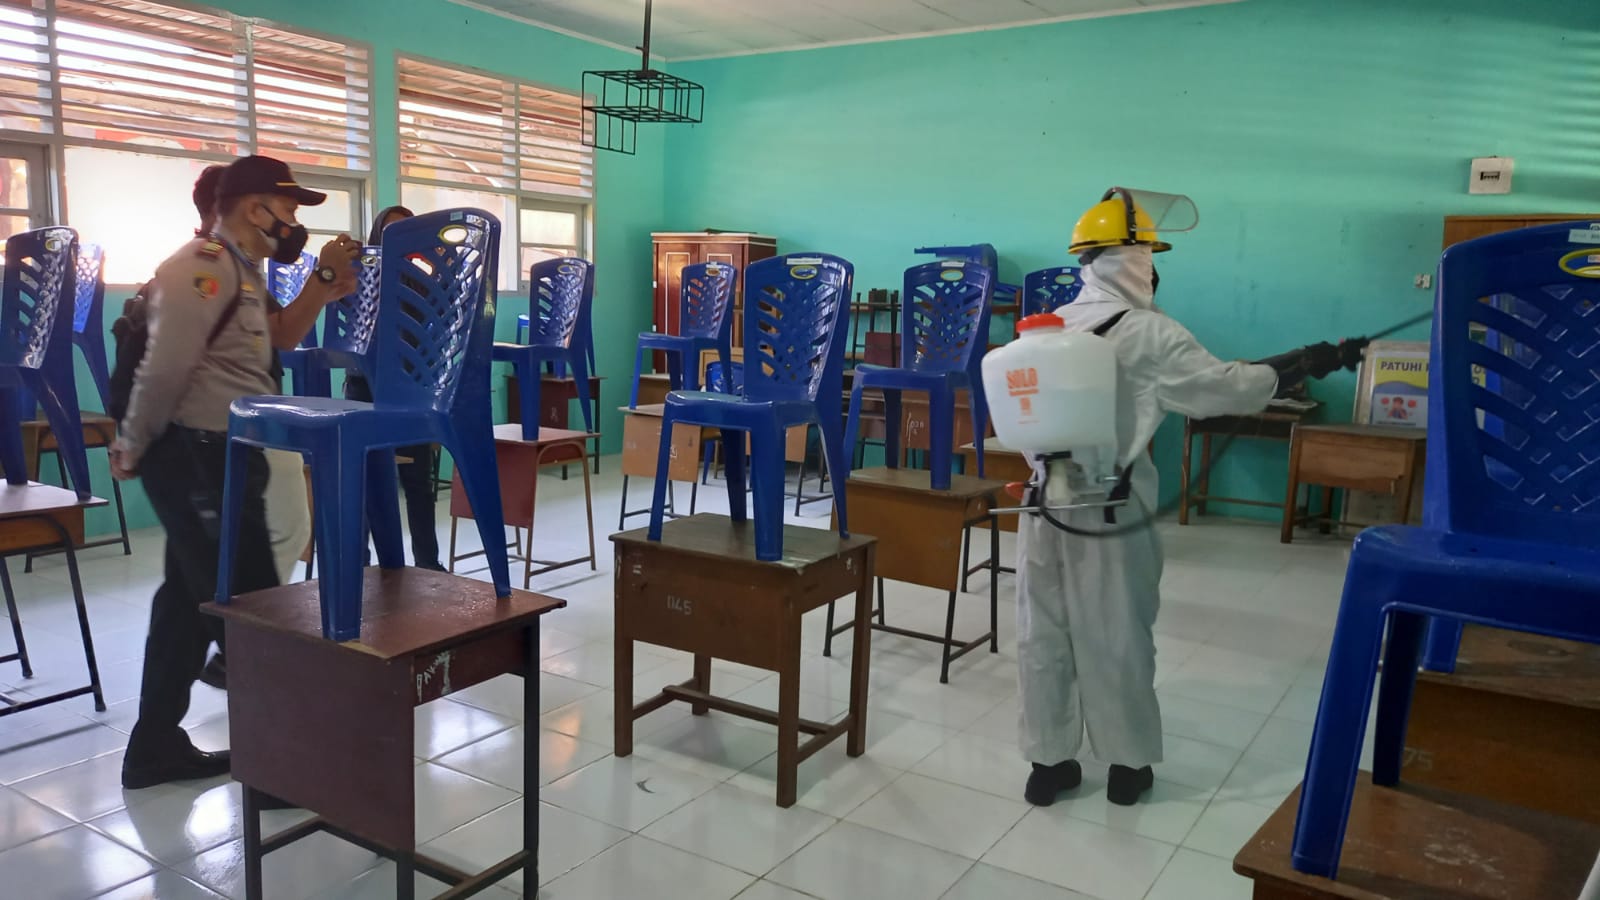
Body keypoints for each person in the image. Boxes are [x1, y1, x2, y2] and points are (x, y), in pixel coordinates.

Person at [1016, 188, 1342, 807]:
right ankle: (1126, 766)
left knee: (1045, 631)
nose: (1154, 269)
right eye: (1150, 256)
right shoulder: (1149, 332)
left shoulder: (1052, 328)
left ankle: (1048, 764)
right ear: (1132, 260)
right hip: (1113, 503)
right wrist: (1299, 366)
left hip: (1043, 498)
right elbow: (1222, 389)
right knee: (1116, 631)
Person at [110, 155, 358, 789]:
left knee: (186, 606)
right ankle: (280, 772)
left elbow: (279, 340)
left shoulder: (245, 274)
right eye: (290, 209)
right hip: (195, 455)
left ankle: (153, 749)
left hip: (220, 453)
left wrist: (324, 281)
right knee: (253, 611)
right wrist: (132, 445)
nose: (293, 222)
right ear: (257, 209)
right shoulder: (201, 271)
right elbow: (163, 372)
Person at [190, 165, 313, 589]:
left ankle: (230, 636)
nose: (290, 223)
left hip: (218, 423)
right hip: (240, 421)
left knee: (193, 565)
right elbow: (285, 334)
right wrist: (325, 278)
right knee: (287, 529)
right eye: (285, 209)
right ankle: (244, 630)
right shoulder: (218, 264)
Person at [340, 204, 446, 571]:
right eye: (389, 233)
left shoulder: (424, 278)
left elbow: (443, 324)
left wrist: (442, 262)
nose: (396, 242)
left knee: (417, 480)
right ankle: (362, 564)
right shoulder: (359, 277)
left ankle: (428, 563)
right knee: (366, 480)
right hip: (362, 388)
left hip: (408, 390)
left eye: (406, 233)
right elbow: (343, 311)